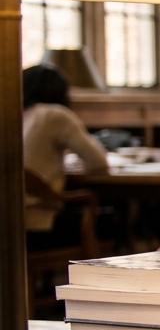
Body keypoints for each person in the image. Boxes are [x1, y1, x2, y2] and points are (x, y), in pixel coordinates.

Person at [22, 64, 109, 237]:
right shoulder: (55, 114)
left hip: (10, 224)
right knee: (112, 216)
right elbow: (98, 163)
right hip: (40, 221)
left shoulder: (15, 115)